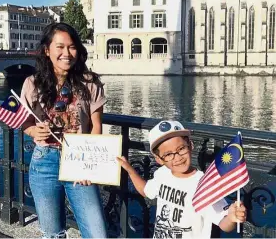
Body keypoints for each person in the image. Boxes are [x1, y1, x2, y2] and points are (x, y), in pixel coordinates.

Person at [20, 22, 108, 238]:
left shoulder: (90, 83)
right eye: (60, 47)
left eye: (72, 47)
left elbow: (97, 125)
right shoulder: (32, 83)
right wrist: (32, 131)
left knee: (97, 233)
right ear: (47, 50)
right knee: (52, 234)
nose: (66, 53)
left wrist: (90, 165)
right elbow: (24, 121)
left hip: (79, 159)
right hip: (44, 160)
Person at [117, 120, 247, 239]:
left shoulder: (204, 183)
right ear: (159, 159)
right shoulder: (162, 174)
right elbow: (145, 190)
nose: (177, 157)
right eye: (168, 154)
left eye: (181, 149)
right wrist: (129, 169)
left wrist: (231, 217)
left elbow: (223, 224)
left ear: (190, 146)